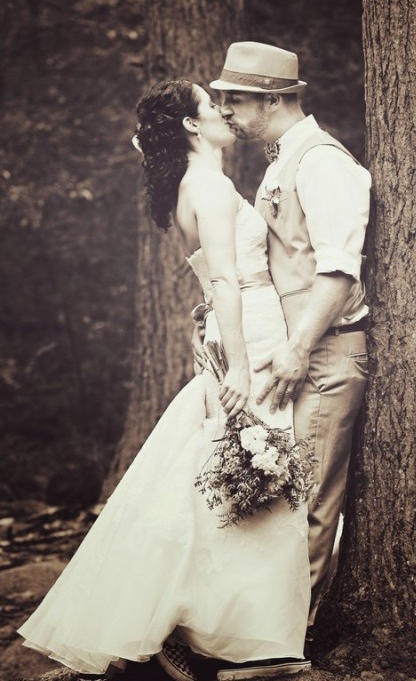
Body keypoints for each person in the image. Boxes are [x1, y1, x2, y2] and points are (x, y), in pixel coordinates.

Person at [17, 80, 312, 681]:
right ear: (192, 126)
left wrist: (211, 332)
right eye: (213, 108)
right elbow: (227, 282)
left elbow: (208, 281)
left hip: (229, 328)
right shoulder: (213, 187)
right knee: (257, 469)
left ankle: (195, 624)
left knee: (218, 473)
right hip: (247, 333)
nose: (226, 114)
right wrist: (233, 360)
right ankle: (243, 639)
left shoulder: (188, 187)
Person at [210, 42, 371, 655]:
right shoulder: (283, 158)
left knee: (308, 501)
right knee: (273, 494)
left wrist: (299, 348)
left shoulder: (323, 163)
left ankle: (282, 647)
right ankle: (253, 632)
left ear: (273, 100)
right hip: (293, 355)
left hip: (325, 354)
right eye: (221, 98)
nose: (225, 110)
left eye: (236, 99)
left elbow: (338, 270)